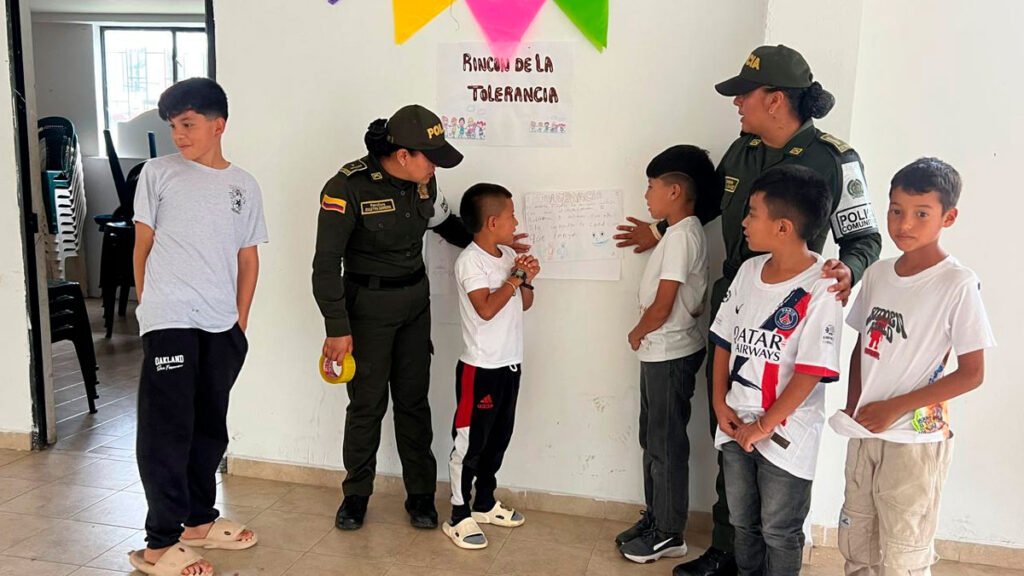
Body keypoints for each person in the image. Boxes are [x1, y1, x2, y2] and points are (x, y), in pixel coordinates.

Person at [614, 45, 882, 576]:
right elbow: (707, 206)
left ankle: (764, 558)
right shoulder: (742, 151)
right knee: (729, 431)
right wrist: (661, 230)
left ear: (776, 100)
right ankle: (726, 549)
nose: (736, 104)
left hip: (792, 319)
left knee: (774, 448)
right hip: (736, 303)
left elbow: (864, 236)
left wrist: (848, 268)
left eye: (744, 94)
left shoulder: (834, 158)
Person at [312, 105, 527, 531]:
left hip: (414, 304)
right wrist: (337, 328)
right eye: (430, 157)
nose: (435, 167)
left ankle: (421, 497)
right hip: (367, 310)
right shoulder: (347, 187)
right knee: (367, 406)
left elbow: (443, 223)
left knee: (413, 402)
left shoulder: (424, 181)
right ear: (403, 154)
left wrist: (489, 245)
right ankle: (355, 496)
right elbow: (325, 264)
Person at [829, 158, 995, 576]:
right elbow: (861, 346)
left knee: (903, 550)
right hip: (866, 430)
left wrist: (895, 407)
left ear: (948, 217)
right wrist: (855, 404)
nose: (905, 223)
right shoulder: (880, 273)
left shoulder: (957, 283)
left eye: (921, 213)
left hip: (915, 442)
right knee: (857, 537)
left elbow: (972, 372)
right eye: (896, 210)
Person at [130, 78, 266, 576]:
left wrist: (240, 320)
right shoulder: (157, 173)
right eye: (173, 126)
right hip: (169, 318)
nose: (179, 136)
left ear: (218, 125)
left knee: (210, 425)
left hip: (221, 323)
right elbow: (141, 245)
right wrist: (150, 306)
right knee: (168, 428)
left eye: (187, 124)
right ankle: (159, 543)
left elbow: (247, 258)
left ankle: (197, 521)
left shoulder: (243, 185)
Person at [711, 165, 843, 576]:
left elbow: (809, 371)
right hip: (734, 423)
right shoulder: (749, 272)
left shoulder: (823, 286)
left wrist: (765, 425)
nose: (745, 223)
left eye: (752, 213)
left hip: (788, 434)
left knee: (779, 530)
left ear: (783, 227)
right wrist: (720, 404)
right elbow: (723, 341)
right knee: (742, 524)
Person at [614, 146, 714, 564]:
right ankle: (656, 517)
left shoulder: (683, 237)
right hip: (661, 352)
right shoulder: (677, 233)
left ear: (675, 191)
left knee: (666, 443)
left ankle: (669, 532)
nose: (646, 195)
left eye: (652, 186)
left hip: (669, 352)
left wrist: (638, 332)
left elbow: (664, 302)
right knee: (652, 438)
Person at [442, 183, 539, 550]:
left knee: (499, 437)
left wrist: (525, 275)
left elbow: (524, 303)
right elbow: (485, 309)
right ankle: (458, 514)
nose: (516, 222)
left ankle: (484, 502)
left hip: (509, 363)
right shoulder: (470, 261)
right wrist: (514, 278)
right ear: (493, 221)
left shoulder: (504, 256)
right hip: (479, 368)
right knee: (470, 443)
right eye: (512, 215)